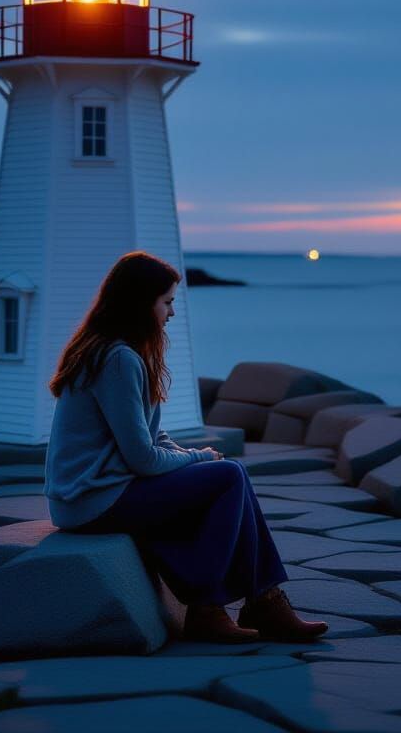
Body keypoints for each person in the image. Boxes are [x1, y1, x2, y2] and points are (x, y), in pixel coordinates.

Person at [44, 250, 328, 644]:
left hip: (99, 491)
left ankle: (259, 601)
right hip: (90, 500)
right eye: (167, 302)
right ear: (142, 302)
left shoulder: (117, 351)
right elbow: (142, 459)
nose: (172, 313)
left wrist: (190, 461)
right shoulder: (118, 359)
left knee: (226, 475)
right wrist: (196, 459)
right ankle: (219, 606)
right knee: (229, 476)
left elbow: (151, 437)